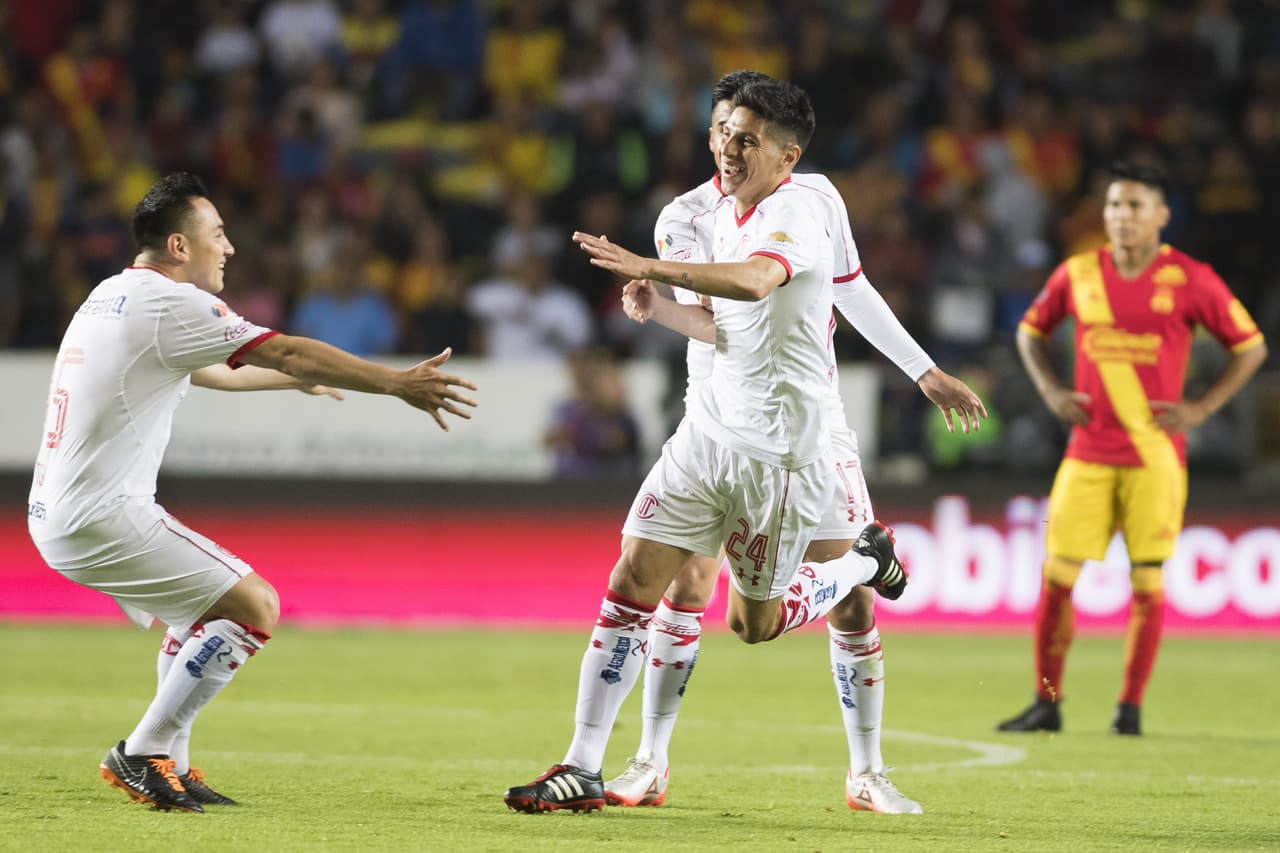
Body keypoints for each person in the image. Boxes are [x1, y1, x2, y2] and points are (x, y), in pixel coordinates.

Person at [502, 78, 984, 814]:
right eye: (723, 129)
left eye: (746, 135)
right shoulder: (684, 217)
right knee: (645, 578)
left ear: (786, 154)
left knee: (812, 612)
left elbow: (821, 286)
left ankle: (867, 761)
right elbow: (716, 323)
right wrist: (660, 304)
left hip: (799, 435)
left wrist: (921, 369)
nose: (728, 144)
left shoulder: (809, 204)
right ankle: (599, 764)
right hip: (711, 422)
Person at [27, 172, 477, 812]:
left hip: (59, 511)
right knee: (255, 605)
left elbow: (215, 372)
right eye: (217, 234)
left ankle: (171, 764)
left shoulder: (112, 294)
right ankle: (141, 751)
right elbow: (287, 350)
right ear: (179, 245)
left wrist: (293, 382)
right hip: (103, 515)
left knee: (199, 615)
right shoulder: (170, 302)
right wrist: (394, 383)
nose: (229, 247)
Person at [997, 162, 1266, 736]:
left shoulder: (1191, 279)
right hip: (1087, 453)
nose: (1122, 216)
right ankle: (1047, 701)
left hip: (1155, 456)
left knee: (1146, 581)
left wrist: (1202, 408)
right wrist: (1051, 390)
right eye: (1115, 205)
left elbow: (1251, 347)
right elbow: (1029, 331)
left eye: (1135, 206)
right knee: (1056, 577)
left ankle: (1130, 709)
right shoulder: (1078, 272)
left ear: (1161, 215)